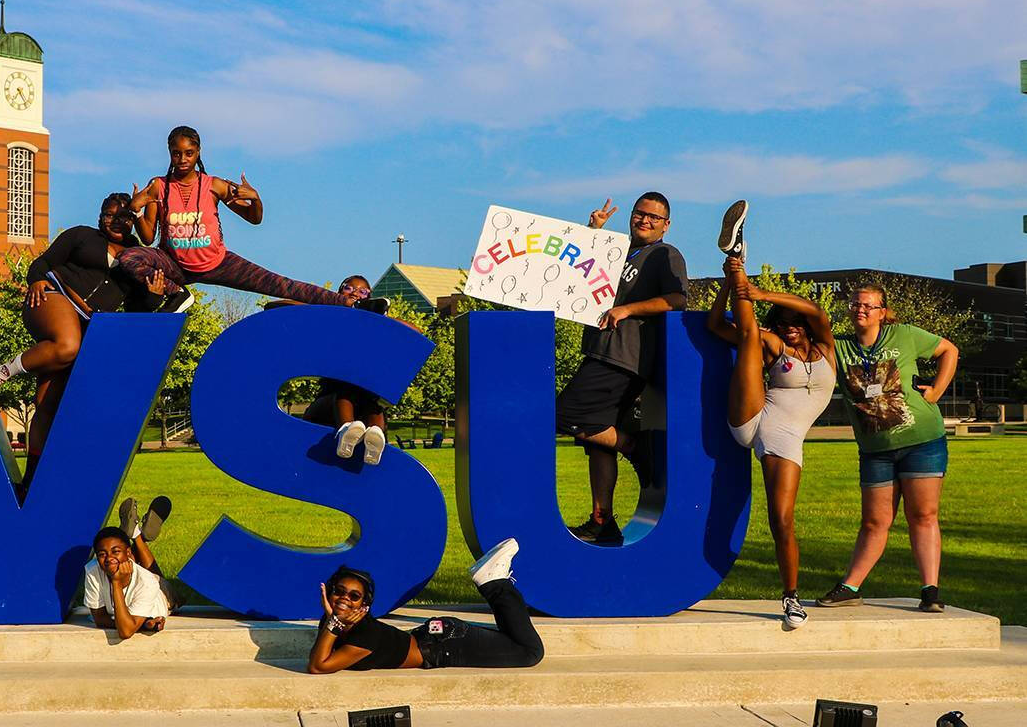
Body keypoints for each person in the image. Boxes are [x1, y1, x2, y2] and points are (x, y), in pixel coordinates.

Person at [0, 194, 170, 488]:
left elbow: (136, 309)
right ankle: (1, 372)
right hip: (52, 298)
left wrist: (154, 295)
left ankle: (31, 484)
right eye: (109, 215)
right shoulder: (80, 235)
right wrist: (37, 279)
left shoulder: (138, 254)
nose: (117, 222)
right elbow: (42, 263)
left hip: (88, 325)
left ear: (133, 220)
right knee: (68, 346)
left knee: (48, 405)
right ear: (99, 215)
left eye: (124, 217)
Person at [705, 200, 837, 629]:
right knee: (748, 338)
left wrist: (761, 294)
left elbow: (816, 312)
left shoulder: (825, 349)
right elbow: (714, 326)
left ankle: (791, 598)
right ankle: (734, 258)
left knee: (782, 519)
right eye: (781, 322)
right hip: (751, 418)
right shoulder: (773, 344)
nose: (789, 327)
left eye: (793, 321)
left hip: (783, 438)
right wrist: (730, 286)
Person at [118, 126, 386, 313]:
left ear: (198, 153)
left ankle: (353, 305)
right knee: (129, 258)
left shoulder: (215, 186)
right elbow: (148, 237)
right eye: (177, 153)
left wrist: (256, 199)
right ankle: (177, 294)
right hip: (175, 264)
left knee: (283, 285)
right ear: (169, 152)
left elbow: (254, 219)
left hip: (217, 262)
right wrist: (135, 210)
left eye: (189, 153)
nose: (182, 159)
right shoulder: (158, 186)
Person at [555, 192, 689, 546]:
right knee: (599, 444)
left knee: (565, 415)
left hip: (624, 357)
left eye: (653, 218)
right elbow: (579, 272)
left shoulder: (665, 254)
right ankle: (603, 522)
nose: (644, 221)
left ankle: (634, 446)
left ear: (666, 225)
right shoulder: (616, 250)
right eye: (639, 214)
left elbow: (678, 299)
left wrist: (628, 310)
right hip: (599, 350)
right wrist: (593, 231)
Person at [816, 281, 958, 613]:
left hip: (922, 440)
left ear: (883, 312)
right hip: (875, 449)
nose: (861, 310)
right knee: (874, 521)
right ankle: (850, 587)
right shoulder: (839, 348)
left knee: (923, 515)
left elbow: (948, 350)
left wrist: (936, 391)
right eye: (855, 304)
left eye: (868, 305)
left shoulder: (905, 335)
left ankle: (930, 591)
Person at [306, 537, 544, 673]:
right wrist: (331, 622)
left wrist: (332, 623)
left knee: (530, 652)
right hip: (436, 636)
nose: (345, 598)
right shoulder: (334, 622)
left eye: (354, 596)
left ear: (364, 605)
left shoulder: (364, 633)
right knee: (515, 642)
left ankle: (495, 583)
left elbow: (318, 666)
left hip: (447, 645)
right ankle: (493, 581)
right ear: (328, 592)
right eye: (339, 591)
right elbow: (320, 655)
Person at [300, 275, 391, 465]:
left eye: (362, 292)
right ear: (339, 292)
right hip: (326, 408)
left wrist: (381, 319)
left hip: (364, 408)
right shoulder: (327, 320)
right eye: (349, 288)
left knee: (373, 403)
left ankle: (375, 435)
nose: (355, 293)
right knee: (347, 390)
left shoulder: (373, 330)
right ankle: (346, 430)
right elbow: (284, 306)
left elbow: (415, 331)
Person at [83, 496, 178, 639]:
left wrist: (116, 583)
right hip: (135, 576)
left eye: (114, 551)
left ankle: (136, 535)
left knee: (176, 597)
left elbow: (125, 631)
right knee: (121, 562)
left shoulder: (148, 582)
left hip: (161, 596)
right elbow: (100, 618)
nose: (108, 558)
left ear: (129, 553)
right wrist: (141, 624)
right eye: (102, 554)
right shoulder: (93, 570)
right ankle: (136, 535)